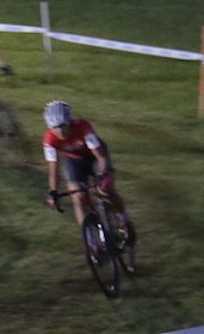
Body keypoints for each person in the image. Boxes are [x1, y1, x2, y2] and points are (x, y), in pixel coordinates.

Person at [41, 100, 136, 243]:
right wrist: (53, 191)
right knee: (78, 197)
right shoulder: (49, 139)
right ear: (50, 128)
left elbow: (100, 156)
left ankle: (123, 219)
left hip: (94, 156)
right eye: (55, 128)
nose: (60, 132)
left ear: (69, 122)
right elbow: (53, 167)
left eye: (63, 127)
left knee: (106, 190)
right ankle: (91, 241)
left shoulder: (83, 127)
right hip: (74, 161)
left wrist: (104, 175)